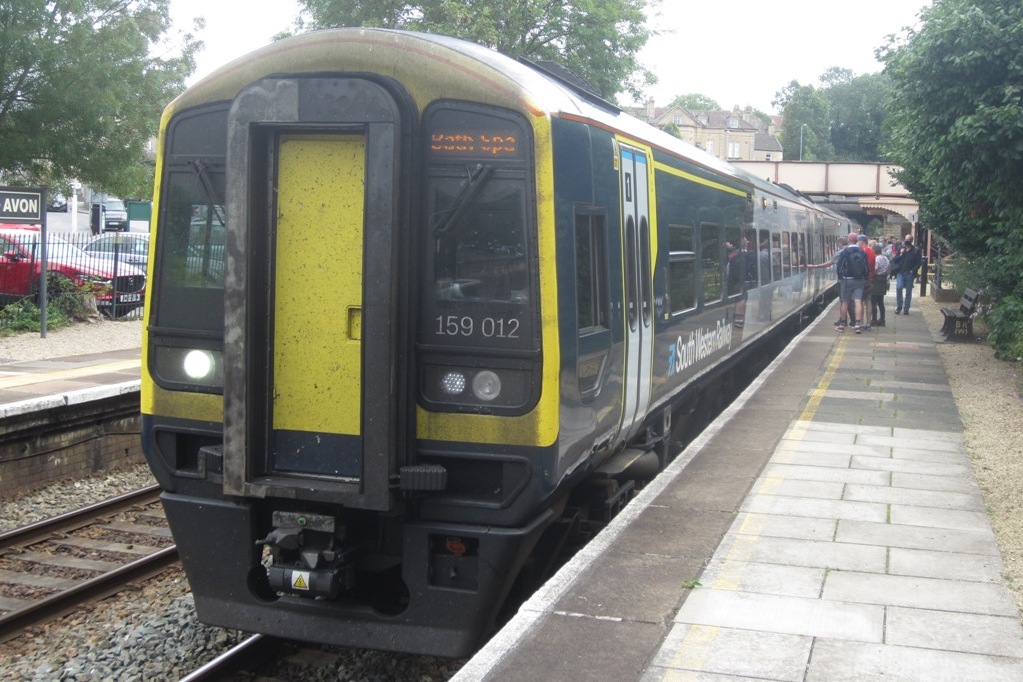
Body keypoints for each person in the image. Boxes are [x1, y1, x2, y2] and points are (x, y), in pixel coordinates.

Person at [808, 232, 866, 333]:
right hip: (860, 280)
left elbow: (839, 267)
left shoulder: (845, 252)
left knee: (845, 302)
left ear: (848, 240)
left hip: (847, 280)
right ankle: (857, 325)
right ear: (857, 240)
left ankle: (842, 325)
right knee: (858, 301)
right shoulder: (862, 251)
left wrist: (841, 277)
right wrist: (866, 279)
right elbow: (866, 267)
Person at [890, 235, 922, 314]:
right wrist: (901, 254)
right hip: (900, 272)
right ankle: (899, 306)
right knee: (899, 287)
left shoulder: (915, 250)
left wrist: (913, 271)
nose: (907, 241)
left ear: (911, 241)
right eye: (906, 239)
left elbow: (919, 262)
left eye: (909, 240)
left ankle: (906, 308)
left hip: (909, 273)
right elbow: (894, 260)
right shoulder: (901, 249)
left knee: (908, 291)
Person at [857, 234, 876, 331]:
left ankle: (861, 323)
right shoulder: (872, 251)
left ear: (862, 241)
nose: (857, 243)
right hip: (870, 278)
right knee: (868, 302)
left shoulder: (862, 251)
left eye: (858, 241)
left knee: (859, 301)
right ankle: (868, 323)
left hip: (863, 279)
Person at [871, 243, 890, 326]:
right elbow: (889, 269)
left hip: (876, 281)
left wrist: (871, 278)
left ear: (874, 250)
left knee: (873, 301)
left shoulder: (877, 259)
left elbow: (875, 270)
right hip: (883, 280)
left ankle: (874, 320)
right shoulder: (886, 258)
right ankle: (882, 319)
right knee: (881, 302)